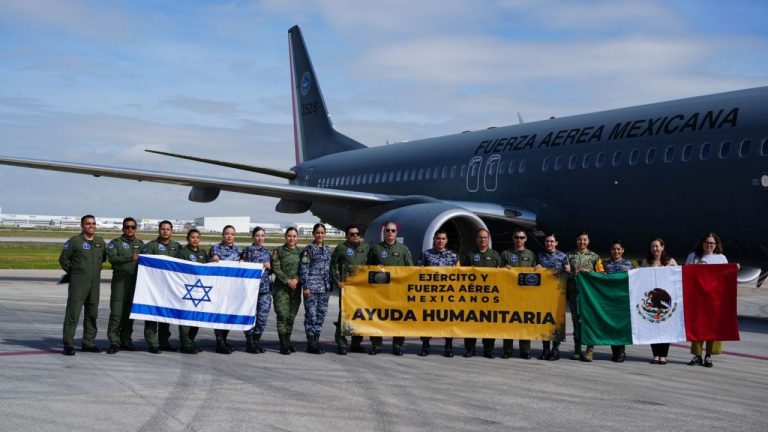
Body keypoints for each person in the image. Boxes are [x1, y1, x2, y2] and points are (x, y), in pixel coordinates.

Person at [59, 215, 107, 355]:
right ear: (82, 226)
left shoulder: (100, 242)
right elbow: (63, 259)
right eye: (88, 224)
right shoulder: (74, 242)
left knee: (92, 314)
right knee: (73, 314)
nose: (91, 226)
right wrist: (75, 273)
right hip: (78, 284)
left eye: (93, 224)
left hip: (94, 284)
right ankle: (68, 344)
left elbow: (102, 259)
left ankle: (89, 342)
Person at [367, 222, 414, 355]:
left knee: (398, 319)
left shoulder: (403, 249)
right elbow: (367, 268)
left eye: (393, 231)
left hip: (397, 291)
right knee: (377, 318)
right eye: (387, 230)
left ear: (396, 233)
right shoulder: (376, 249)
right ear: (384, 232)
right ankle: (376, 346)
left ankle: (397, 346)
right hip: (379, 291)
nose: (390, 233)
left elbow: (410, 269)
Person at [685, 232, 730, 368]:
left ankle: (708, 356)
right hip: (698, 299)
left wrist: (735, 269)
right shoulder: (693, 257)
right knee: (697, 327)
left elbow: (726, 277)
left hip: (714, 300)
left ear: (716, 245)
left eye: (712, 243)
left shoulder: (721, 258)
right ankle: (697, 355)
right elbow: (686, 274)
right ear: (702, 244)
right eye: (707, 242)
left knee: (713, 328)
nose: (709, 245)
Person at [462, 228, 503, 358]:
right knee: (471, 323)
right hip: (473, 296)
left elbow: (501, 275)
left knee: (489, 324)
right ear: (476, 239)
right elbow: (461, 273)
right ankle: (470, 349)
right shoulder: (469, 254)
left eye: (485, 237)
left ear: (488, 239)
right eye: (480, 237)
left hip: (490, 297)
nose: (482, 239)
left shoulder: (496, 255)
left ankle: (488, 350)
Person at [417, 230, 460, 357]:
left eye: (443, 239)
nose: (440, 241)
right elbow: (418, 273)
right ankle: (425, 346)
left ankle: (448, 347)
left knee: (448, 321)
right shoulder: (426, 255)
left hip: (447, 295)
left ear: (446, 241)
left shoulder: (453, 256)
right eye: (438, 238)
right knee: (427, 320)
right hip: (430, 295)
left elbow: (460, 276)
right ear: (434, 240)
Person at [141, 220, 181, 354]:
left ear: (172, 231)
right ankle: (153, 343)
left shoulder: (177, 247)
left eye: (168, 229)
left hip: (169, 288)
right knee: (152, 316)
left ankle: (164, 342)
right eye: (163, 229)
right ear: (159, 230)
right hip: (153, 287)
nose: (165, 231)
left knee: (165, 315)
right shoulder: (151, 246)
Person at [105, 217, 144, 354]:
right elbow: (113, 259)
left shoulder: (141, 244)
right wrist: (129, 258)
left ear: (136, 229)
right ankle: (114, 341)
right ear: (123, 228)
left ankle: (126, 340)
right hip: (120, 282)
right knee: (116, 313)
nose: (130, 229)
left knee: (129, 313)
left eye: (133, 227)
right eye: (127, 227)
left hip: (135, 282)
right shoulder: (115, 243)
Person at [330, 225, 370, 355]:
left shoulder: (366, 248)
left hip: (361, 289)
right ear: (346, 236)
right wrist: (337, 281)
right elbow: (332, 266)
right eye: (352, 234)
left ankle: (356, 343)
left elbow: (372, 264)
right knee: (344, 315)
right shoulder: (341, 248)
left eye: (357, 233)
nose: (355, 236)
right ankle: (341, 343)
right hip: (346, 288)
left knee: (359, 315)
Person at [499, 228, 536, 359]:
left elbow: (536, 273)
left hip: (525, 295)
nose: (519, 240)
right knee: (509, 322)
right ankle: (507, 351)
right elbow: (497, 273)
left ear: (526, 239)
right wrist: (502, 269)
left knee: (525, 321)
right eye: (516, 237)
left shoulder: (531, 255)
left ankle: (525, 351)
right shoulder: (505, 254)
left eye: (521, 237)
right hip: (510, 294)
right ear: (513, 238)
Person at [640, 237, 678, 366]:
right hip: (652, 300)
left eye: (657, 246)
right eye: (652, 246)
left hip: (666, 299)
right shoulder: (646, 262)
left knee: (666, 327)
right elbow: (640, 279)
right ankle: (656, 354)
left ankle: (663, 355)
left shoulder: (671, 262)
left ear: (662, 247)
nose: (655, 249)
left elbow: (677, 279)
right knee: (653, 327)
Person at [567, 231, 603, 362]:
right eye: (580, 240)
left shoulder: (594, 257)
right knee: (576, 322)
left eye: (584, 240)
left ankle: (589, 350)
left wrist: (590, 273)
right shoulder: (569, 255)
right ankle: (577, 350)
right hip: (574, 293)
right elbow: (565, 273)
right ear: (576, 241)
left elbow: (601, 275)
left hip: (588, 295)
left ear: (588, 241)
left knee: (589, 322)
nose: (582, 242)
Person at [534, 233, 571, 360]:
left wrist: (568, 270)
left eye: (551, 241)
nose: (549, 244)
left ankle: (555, 350)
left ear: (556, 243)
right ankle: (545, 349)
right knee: (544, 321)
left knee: (556, 322)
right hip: (544, 295)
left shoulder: (563, 257)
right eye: (547, 242)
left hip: (558, 296)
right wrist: (536, 267)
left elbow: (568, 275)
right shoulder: (540, 256)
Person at [299, 223, 332, 354]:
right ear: (313, 234)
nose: (320, 235)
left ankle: (316, 340)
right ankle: (311, 343)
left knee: (320, 316)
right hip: (311, 288)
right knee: (311, 316)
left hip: (324, 289)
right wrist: (305, 286)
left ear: (325, 234)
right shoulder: (308, 249)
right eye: (317, 232)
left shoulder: (327, 249)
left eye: (322, 233)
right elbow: (303, 269)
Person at [209, 225, 242, 354]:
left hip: (232, 288)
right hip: (219, 287)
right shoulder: (215, 248)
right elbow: (208, 265)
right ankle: (220, 342)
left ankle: (224, 339)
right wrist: (212, 259)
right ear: (223, 235)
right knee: (219, 314)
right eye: (227, 233)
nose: (229, 236)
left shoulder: (239, 250)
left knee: (228, 314)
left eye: (232, 234)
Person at [175, 229, 208, 354]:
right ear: (188, 238)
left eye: (197, 237)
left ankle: (191, 341)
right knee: (185, 317)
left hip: (199, 290)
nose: (195, 239)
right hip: (186, 289)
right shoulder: (182, 252)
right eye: (192, 237)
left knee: (196, 318)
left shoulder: (202, 253)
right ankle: (185, 343)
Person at [240, 227, 272, 354]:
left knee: (262, 317)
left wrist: (270, 267)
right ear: (253, 237)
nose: (260, 238)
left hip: (264, 289)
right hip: (250, 291)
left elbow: (272, 271)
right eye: (257, 235)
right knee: (249, 316)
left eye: (262, 235)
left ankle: (256, 339)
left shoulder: (267, 253)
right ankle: (249, 341)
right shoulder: (247, 251)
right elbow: (241, 267)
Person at [601, 240, 634, 362]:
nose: (616, 251)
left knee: (621, 327)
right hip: (609, 300)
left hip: (622, 300)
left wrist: (631, 273)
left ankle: (621, 351)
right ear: (611, 251)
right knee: (612, 326)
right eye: (614, 249)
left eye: (619, 249)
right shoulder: (605, 264)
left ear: (623, 250)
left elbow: (636, 279)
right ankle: (615, 351)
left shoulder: (628, 264)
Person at [272, 227, 302, 355]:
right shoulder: (278, 251)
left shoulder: (301, 252)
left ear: (297, 238)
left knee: (291, 316)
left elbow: (304, 268)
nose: (291, 238)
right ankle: (283, 344)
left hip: (295, 288)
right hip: (281, 289)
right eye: (289, 236)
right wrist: (287, 281)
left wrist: (296, 279)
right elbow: (276, 268)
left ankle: (288, 341)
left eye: (294, 236)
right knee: (282, 316)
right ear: (285, 237)